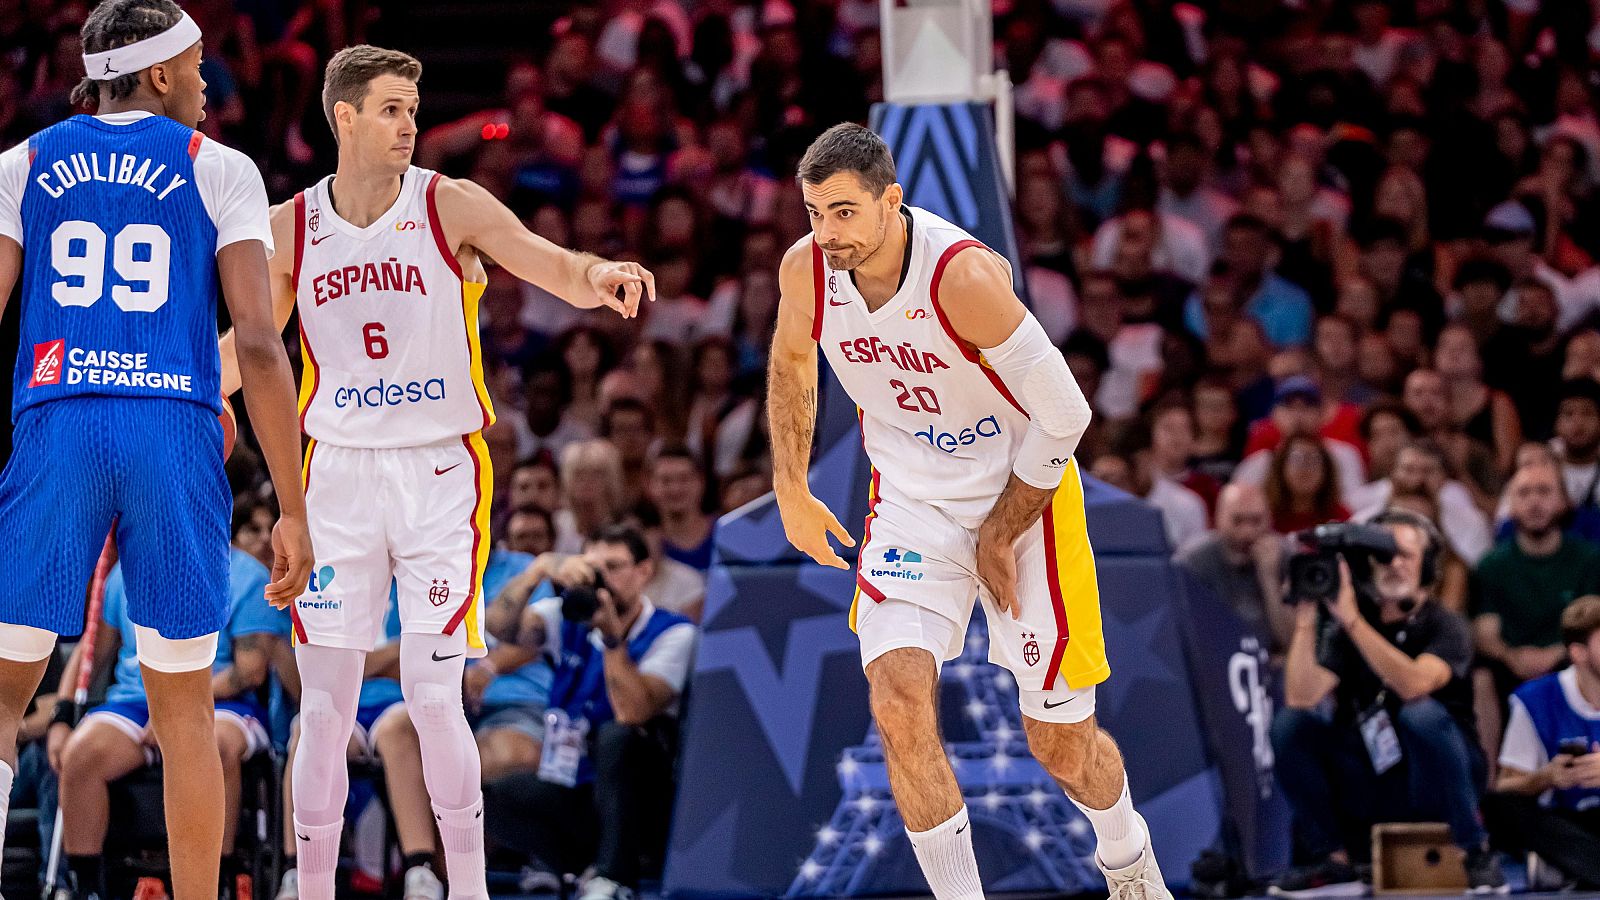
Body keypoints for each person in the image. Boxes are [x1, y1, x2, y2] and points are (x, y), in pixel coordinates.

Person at [215, 45, 652, 900]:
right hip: (335, 472)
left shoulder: (448, 203)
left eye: (413, 107)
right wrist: (172, 390)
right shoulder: (289, 227)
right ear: (342, 117)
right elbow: (249, 352)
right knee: (327, 707)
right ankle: (311, 889)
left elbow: (547, 260)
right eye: (389, 108)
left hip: (438, 470)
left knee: (431, 692)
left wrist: (599, 274)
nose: (409, 122)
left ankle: (467, 887)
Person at [767, 124, 1168, 900]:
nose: (827, 232)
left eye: (844, 212)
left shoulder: (963, 278)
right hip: (912, 504)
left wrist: (1002, 528)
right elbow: (790, 365)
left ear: (892, 200)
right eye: (814, 212)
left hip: (1024, 495)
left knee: (1058, 745)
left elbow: (1065, 414)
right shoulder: (805, 272)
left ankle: (1128, 860)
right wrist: (791, 487)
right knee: (897, 699)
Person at [0, 4, 314, 897]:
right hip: (174, 430)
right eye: (199, 64)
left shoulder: (20, 164)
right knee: (184, 711)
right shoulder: (222, 170)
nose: (210, 84)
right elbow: (257, 345)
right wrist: (290, 507)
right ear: (161, 74)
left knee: (3, 697)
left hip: (59, 419)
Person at [1271, 511, 1506, 895]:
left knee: (1421, 715)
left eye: (1405, 555)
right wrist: (1306, 619)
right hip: (1371, 778)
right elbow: (1301, 696)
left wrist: (1352, 623)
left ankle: (1474, 852)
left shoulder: (1446, 625)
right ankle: (1333, 860)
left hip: (1435, 779)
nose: (1393, 564)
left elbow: (1414, 684)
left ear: (1428, 565)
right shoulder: (1350, 622)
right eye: (1383, 555)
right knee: (1290, 726)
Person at [49, 534, 287, 900]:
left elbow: (249, 672)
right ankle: (85, 888)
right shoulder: (124, 572)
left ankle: (218, 885)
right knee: (79, 755)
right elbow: (91, 651)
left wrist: (172, 712)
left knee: (214, 746)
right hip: (135, 700)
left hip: (219, 700)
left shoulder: (248, 576)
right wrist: (61, 716)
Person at [481, 525, 697, 900]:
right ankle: (580, 869)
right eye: (594, 569)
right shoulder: (566, 618)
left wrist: (613, 640)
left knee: (617, 737)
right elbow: (497, 627)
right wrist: (537, 572)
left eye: (614, 567)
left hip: (644, 799)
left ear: (643, 571)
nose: (604, 581)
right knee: (493, 797)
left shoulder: (674, 632)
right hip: (577, 788)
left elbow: (633, 713)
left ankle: (614, 878)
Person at [1488, 595, 1600, 889]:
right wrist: (1547, 777)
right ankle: (1580, 867)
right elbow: (1505, 786)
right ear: (1579, 653)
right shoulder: (1536, 699)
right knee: (1502, 806)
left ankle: (1573, 870)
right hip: (1565, 821)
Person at [1174, 484, 1292, 657]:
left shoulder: (1287, 558)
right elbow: (1181, 634)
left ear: (1269, 520)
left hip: (1272, 665)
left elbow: (1291, 640)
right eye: (1237, 521)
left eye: (1256, 521)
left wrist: (1269, 578)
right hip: (1211, 663)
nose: (1247, 532)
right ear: (1218, 519)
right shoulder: (1192, 561)